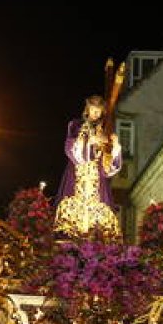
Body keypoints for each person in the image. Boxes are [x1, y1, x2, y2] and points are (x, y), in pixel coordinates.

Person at [53, 95, 123, 237]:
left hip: (97, 182)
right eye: (93, 109)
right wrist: (89, 141)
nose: (96, 113)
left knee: (99, 227)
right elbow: (70, 147)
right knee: (70, 221)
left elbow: (107, 169)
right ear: (88, 109)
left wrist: (115, 148)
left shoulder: (104, 133)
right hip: (77, 176)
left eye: (99, 110)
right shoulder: (76, 125)